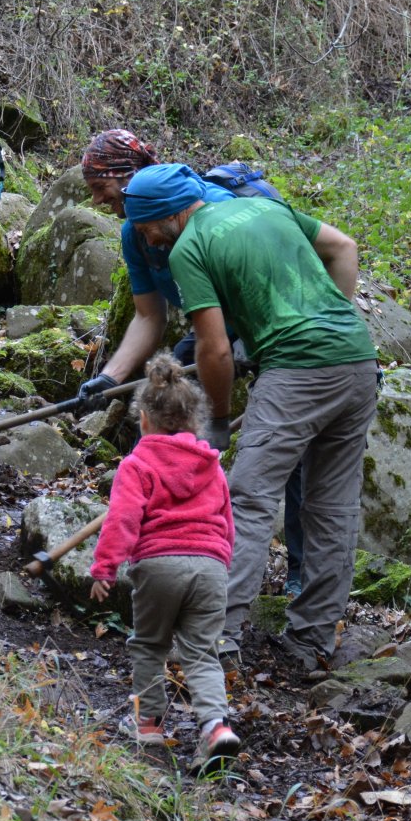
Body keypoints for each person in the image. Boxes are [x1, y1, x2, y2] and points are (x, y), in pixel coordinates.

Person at [120, 164, 379, 673]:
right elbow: (344, 248)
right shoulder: (265, 206)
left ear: (169, 216)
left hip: (297, 373)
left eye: (146, 227)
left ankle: (216, 635)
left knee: (248, 499)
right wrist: (327, 324)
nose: (146, 239)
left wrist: (217, 417)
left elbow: (214, 351)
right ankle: (311, 641)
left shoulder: (190, 247)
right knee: (333, 508)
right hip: (357, 362)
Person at [78, 130, 304, 595]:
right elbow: (148, 315)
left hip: (273, 330)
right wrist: (108, 377)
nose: (98, 201)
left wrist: (250, 340)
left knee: (290, 448)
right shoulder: (135, 235)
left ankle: (298, 571)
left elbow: (286, 273)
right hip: (210, 327)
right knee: (165, 406)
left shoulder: (215, 208)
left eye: (101, 189)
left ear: (126, 179)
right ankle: (159, 537)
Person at [88, 351, 240, 770]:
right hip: (210, 567)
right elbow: (227, 520)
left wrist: (105, 568)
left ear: (143, 420)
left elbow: (122, 520)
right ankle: (215, 726)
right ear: (195, 423)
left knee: (150, 644)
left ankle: (150, 725)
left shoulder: (137, 464)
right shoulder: (212, 466)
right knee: (202, 653)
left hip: (158, 565)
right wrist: (220, 563)